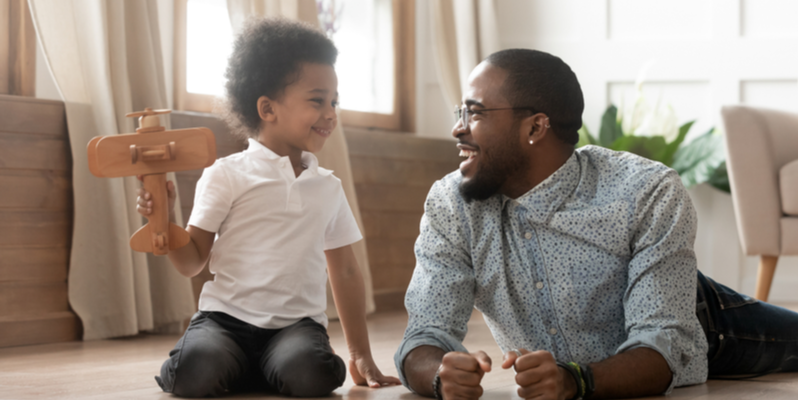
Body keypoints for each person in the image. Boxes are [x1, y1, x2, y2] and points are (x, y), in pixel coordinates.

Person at [395, 48, 797, 400]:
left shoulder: (645, 190)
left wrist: (575, 381)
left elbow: (664, 343)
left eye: (475, 113)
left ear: (535, 127)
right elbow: (424, 335)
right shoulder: (451, 204)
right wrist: (438, 376)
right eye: (460, 113)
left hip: (700, 321)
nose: (457, 128)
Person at [136, 18, 400, 397]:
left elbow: (344, 270)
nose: (331, 113)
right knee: (195, 372)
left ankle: (255, 369)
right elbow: (191, 261)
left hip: (296, 327)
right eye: (317, 100)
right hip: (223, 322)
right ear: (267, 108)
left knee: (313, 375)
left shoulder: (328, 186)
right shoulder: (226, 175)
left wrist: (360, 354)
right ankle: (242, 365)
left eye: (334, 101)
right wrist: (165, 218)